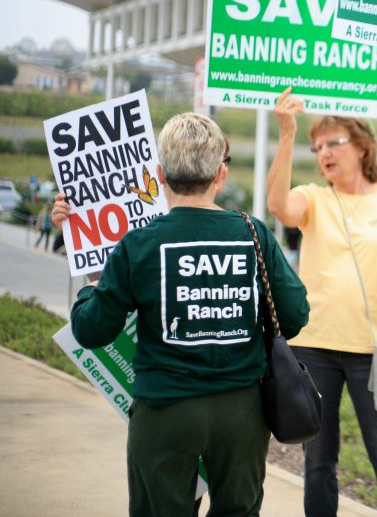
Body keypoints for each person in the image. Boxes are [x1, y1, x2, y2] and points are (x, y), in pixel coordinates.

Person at [52, 112, 309, 517]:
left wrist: (89, 289)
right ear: (220, 176)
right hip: (242, 413)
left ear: (160, 174)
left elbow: (92, 329)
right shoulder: (255, 234)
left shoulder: (138, 243)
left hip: (165, 412)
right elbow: (294, 316)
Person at [267, 88, 377, 517]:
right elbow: (278, 205)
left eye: (333, 143)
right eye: (317, 147)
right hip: (315, 348)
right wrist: (286, 134)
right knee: (318, 462)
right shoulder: (313, 198)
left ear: (363, 145)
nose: (324, 154)